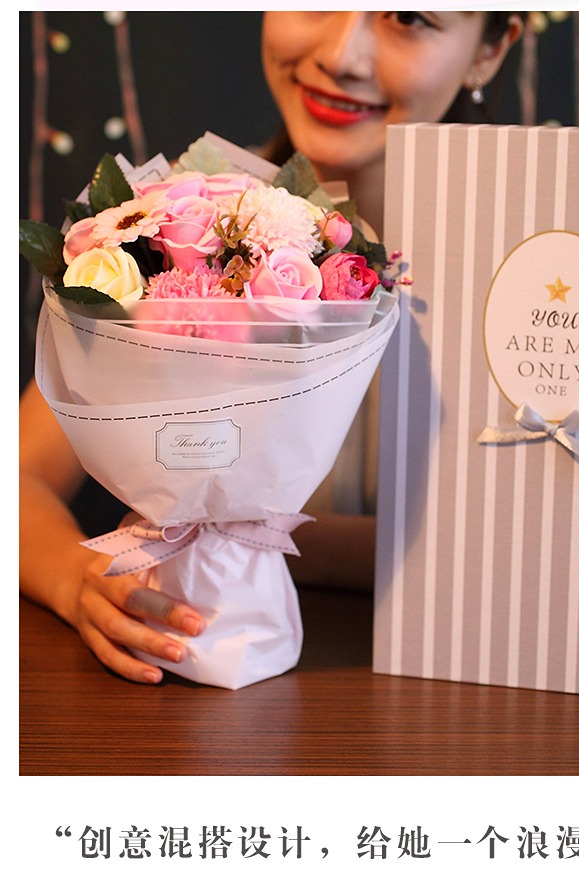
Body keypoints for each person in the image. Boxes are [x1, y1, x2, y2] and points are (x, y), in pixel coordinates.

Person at [19, 10, 525, 685]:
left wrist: (293, 543)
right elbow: (16, 477)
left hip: (451, 688)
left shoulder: (528, 269)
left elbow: (530, 558)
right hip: (196, 679)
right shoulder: (180, 226)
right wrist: (77, 579)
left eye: (408, 17)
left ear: (489, 50)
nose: (341, 54)